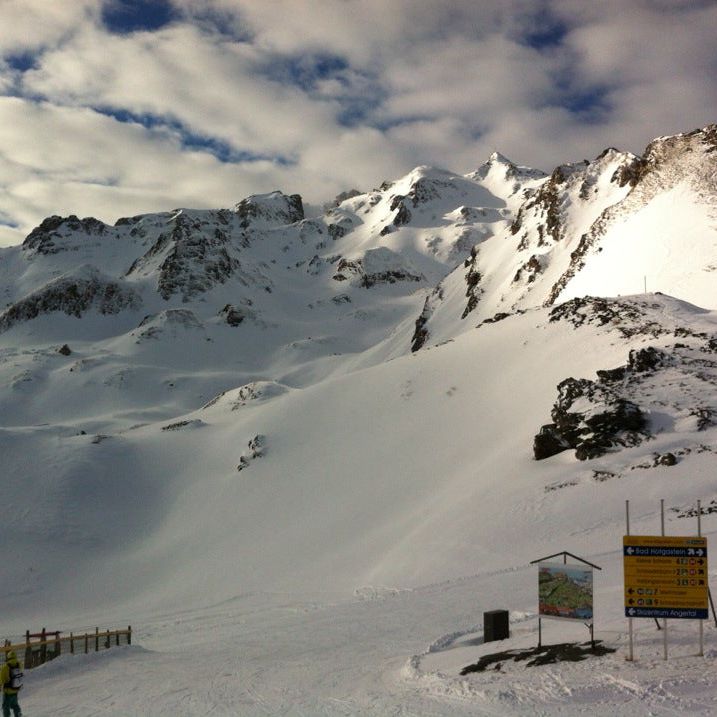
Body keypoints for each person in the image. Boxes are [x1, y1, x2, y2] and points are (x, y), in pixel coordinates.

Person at [0, 650, 22, 717]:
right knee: (15, 705)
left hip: (7, 692)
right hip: (16, 690)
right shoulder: (19, 664)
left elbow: (1, 678)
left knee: (5, 706)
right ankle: (18, 714)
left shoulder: (5, 667)